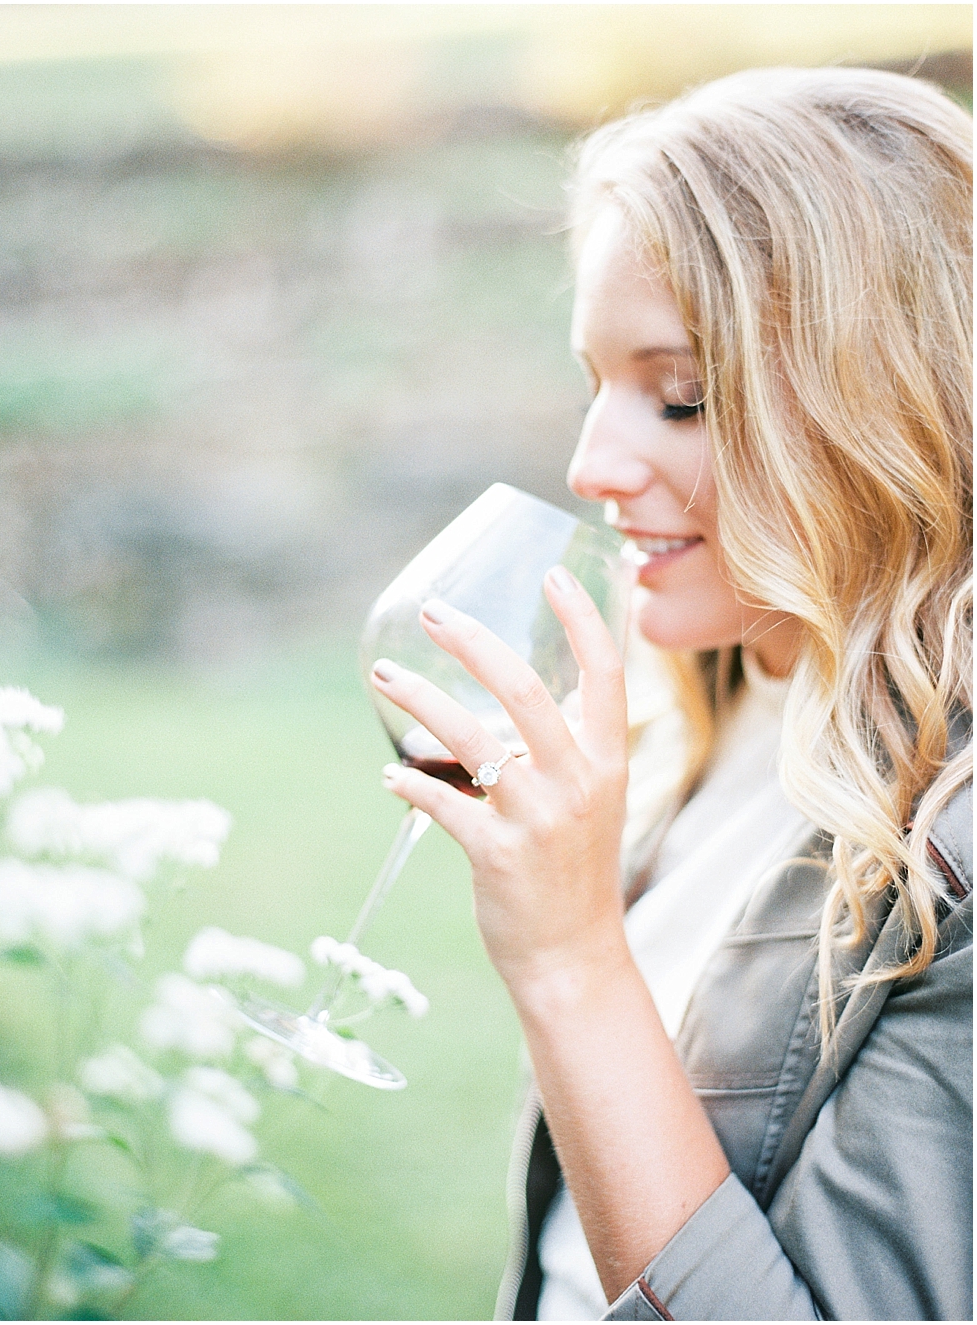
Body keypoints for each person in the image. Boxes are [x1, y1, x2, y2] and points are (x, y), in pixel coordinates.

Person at [370, 66, 973, 1321]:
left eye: (680, 393)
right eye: (595, 380)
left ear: (890, 401)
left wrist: (571, 958)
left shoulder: (951, 851)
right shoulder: (712, 696)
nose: (593, 463)